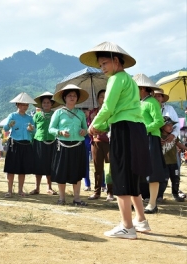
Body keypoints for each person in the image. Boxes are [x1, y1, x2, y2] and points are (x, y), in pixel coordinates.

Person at [82, 41, 151, 239]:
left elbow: (108, 107)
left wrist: (93, 124)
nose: (102, 68)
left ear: (116, 60)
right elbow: (117, 110)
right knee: (131, 176)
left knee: (121, 175)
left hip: (124, 129)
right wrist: (101, 125)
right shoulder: (129, 80)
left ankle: (127, 226)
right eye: (100, 64)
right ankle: (141, 220)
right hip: (136, 129)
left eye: (104, 63)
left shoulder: (115, 80)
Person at [48, 84, 88, 206]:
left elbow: (85, 129)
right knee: (61, 172)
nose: (72, 97)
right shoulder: (58, 113)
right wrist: (60, 132)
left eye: (74, 95)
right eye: (69, 95)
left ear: (77, 98)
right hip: (62, 146)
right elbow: (51, 129)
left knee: (77, 171)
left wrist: (83, 131)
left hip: (78, 145)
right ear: (64, 98)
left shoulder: (81, 113)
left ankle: (77, 198)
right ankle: (61, 198)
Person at [134, 73, 167, 214]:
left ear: (142, 88)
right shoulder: (139, 103)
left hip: (150, 139)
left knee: (152, 172)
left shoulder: (152, 102)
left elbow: (159, 121)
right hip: (140, 140)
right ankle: (138, 201)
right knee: (137, 171)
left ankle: (152, 204)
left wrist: (144, 130)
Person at [153, 89, 185, 200]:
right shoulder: (149, 108)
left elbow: (176, 127)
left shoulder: (169, 109)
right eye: (155, 95)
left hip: (172, 154)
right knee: (163, 177)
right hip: (157, 147)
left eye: (159, 96)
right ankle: (159, 195)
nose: (157, 98)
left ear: (162, 98)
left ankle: (175, 194)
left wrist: (173, 135)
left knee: (175, 176)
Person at [2, 92, 35, 197]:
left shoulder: (29, 118)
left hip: (26, 144)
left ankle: (20, 190)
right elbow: (5, 128)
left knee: (22, 169)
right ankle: (9, 191)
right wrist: (9, 125)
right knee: (11, 168)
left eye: (26, 105)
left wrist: (31, 129)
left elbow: (33, 131)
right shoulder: (12, 115)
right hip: (14, 143)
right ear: (17, 105)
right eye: (22, 104)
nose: (24, 107)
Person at [30, 91, 59, 195]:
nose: (46, 104)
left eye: (48, 102)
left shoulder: (55, 115)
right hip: (39, 142)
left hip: (52, 142)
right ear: (41, 104)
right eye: (44, 103)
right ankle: (36, 188)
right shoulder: (36, 116)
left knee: (50, 165)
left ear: (51, 104)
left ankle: (49, 188)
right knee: (38, 165)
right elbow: (32, 128)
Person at [87, 90, 113, 201]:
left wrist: (100, 128)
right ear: (98, 99)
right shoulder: (93, 112)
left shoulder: (111, 112)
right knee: (97, 168)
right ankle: (96, 191)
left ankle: (110, 192)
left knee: (109, 168)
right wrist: (91, 121)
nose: (103, 98)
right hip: (96, 142)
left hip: (109, 143)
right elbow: (89, 127)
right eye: (101, 96)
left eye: (105, 96)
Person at [160, 116, 186, 202]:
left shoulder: (173, 136)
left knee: (175, 179)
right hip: (164, 163)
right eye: (169, 125)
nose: (171, 127)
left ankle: (175, 194)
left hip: (174, 162)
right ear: (162, 126)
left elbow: (179, 144)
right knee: (164, 180)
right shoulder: (158, 136)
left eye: (172, 125)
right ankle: (159, 196)